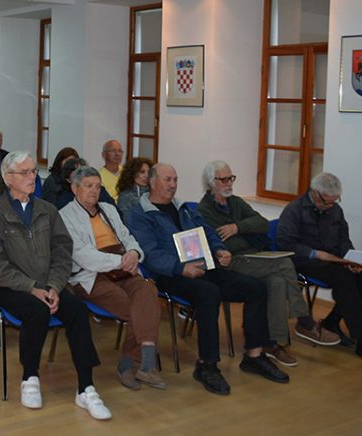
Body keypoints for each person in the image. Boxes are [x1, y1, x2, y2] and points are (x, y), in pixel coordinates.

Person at [125, 163, 289, 395]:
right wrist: (181, 268)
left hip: (204, 267)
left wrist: (220, 249)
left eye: (175, 179)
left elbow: (209, 232)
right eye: (167, 180)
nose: (173, 185)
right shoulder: (140, 214)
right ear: (152, 182)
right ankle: (207, 365)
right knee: (209, 293)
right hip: (170, 274)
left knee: (256, 287)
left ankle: (254, 355)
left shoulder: (184, 209)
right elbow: (150, 254)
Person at [0, 151, 110, 419]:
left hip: (49, 284)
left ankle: (86, 387)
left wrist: (54, 285)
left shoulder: (47, 210)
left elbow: (63, 252)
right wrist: (31, 287)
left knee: (77, 310)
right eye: (25, 173)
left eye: (33, 172)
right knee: (37, 310)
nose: (32, 177)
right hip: (10, 288)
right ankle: (30, 376)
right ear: (8, 178)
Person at [198, 161, 340, 367]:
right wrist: (245, 235)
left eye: (231, 178)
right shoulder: (204, 210)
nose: (229, 183)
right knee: (284, 264)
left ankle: (272, 343)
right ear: (211, 182)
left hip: (253, 256)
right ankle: (305, 321)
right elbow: (224, 244)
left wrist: (238, 227)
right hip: (231, 261)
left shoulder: (236, 202)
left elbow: (262, 223)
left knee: (277, 282)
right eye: (224, 179)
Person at [60, 166, 166, 390]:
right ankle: (133, 364)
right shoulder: (65, 216)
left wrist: (134, 253)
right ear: (74, 188)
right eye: (88, 186)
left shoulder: (108, 209)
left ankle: (140, 364)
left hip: (122, 268)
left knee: (148, 292)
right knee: (137, 309)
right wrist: (121, 261)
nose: (94, 191)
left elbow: (128, 237)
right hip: (91, 275)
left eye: (98, 186)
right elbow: (83, 256)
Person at [276, 172, 362, 357]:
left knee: (358, 274)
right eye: (326, 202)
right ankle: (360, 336)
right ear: (314, 193)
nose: (330, 206)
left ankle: (332, 322)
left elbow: (343, 239)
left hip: (331, 259)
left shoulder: (335, 210)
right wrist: (315, 253)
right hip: (304, 260)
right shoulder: (295, 209)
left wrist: (350, 258)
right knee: (344, 278)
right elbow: (285, 243)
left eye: (334, 201)